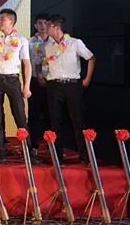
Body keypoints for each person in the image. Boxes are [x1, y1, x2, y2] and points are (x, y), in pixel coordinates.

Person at [39, 14, 96, 165]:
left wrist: (87, 79)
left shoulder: (74, 43)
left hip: (72, 85)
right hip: (54, 85)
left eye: (48, 25)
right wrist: (40, 74)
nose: (45, 28)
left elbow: (91, 58)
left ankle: (84, 155)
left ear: (57, 27)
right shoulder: (46, 45)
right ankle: (57, 155)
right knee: (55, 121)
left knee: (78, 120)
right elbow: (42, 62)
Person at [0, 8, 32, 165]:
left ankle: (28, 152)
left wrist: (27, 86)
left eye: (3, 19)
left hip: (12, 80)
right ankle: (1, 153)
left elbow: (27, 64)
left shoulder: (21, 40)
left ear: (11, 21)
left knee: (20, 117)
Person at [27, 12, 51, 156]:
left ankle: (51, 144)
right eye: (40, 23)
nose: (43, 26)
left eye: (46, 23)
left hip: (52, 81)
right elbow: (26, 64)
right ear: (35, 25)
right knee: (34, 113)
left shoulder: (55, 42)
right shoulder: (30, 42)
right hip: (35, 81)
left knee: (51, 113)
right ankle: (33, 145)